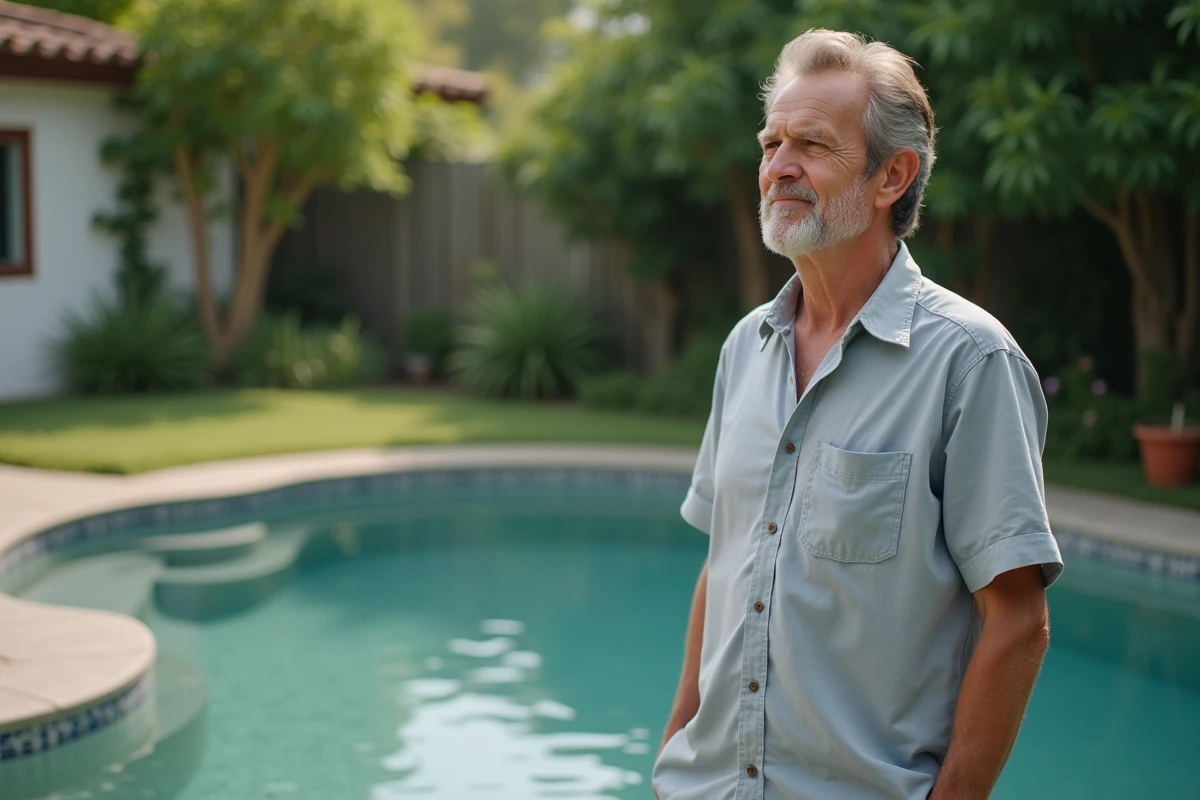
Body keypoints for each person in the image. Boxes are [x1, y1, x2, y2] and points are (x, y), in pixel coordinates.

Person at [651, 28, 1064, 800]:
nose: (778, 167)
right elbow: (727, 559)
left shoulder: (971, 362)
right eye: (771, 142)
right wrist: (676, 746)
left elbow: (1016, 623)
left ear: (891, 177)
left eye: (811, 143)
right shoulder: (746, 347)